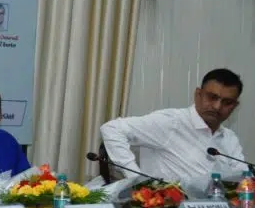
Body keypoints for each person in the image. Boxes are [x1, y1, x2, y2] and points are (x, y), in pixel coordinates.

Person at [99, 68, 247, 185]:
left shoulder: (229, 138)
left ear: (234, 106)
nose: (217, 106)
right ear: (198, 95)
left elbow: (243, 178)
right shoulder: (172, 123)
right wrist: (136, 179)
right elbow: (112, 129)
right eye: (212, 97)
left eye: (227, 102)